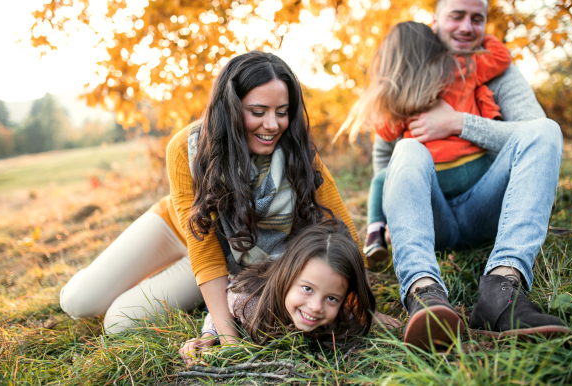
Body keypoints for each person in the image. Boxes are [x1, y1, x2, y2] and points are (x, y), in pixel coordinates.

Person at [59, 51, 399, 338]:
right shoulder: (188, 146)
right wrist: (226, 332)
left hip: (231, 259)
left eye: (282, 112)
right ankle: (142, 271)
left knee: (118, 322)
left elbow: (337, 219)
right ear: (231, 106)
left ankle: (176, 283)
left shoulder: (295, 148)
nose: (272, 125)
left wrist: (364, 309)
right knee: (77, 301)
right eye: (257, 112)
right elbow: (201, 240)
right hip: (180, 229)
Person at [364, 0, 568, 349]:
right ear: (436, 21)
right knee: (408, 149)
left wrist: (459, 122)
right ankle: (423, 292)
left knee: (546, 130)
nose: (466, 27)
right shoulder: (412, 65)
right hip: (432, 216)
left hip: (485, 205)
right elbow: (385, 151)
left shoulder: (490, 68)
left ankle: (502, 290)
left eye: (477, 18)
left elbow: (529, 134)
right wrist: (397, 206)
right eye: (456, 15)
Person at [341, 21, 511, 268]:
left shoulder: (402, 92)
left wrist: (386, 107)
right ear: (434, 46)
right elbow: (500, 57)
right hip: (476, 170)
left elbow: (388, 134)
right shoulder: (460, 67)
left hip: (435, 178)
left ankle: (375, 233)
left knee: (380, 180)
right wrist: (481, 35)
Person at [180, 220, 375, 365]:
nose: (316, 307)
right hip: (213, 264)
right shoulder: (248, 302)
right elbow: (224, 301)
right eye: (307, 289)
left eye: (332, 298)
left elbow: (355, 315)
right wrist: (209, 333)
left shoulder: (339, 318)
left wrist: (371, 316)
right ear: (288, 278)